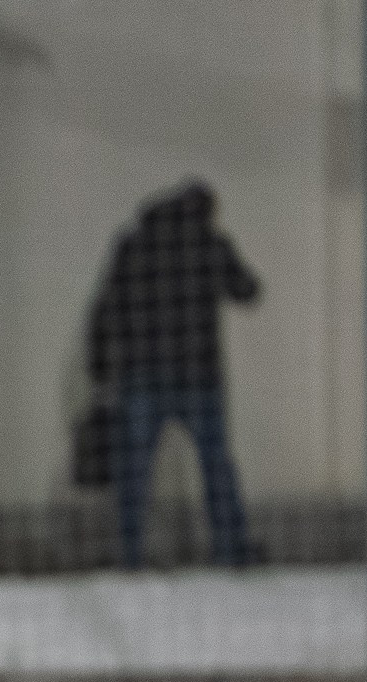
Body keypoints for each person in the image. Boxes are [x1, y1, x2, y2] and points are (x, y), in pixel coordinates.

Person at [88, 180, 261, 568]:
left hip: (142, 373)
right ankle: (230, 549)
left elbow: (107, 305)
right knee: (216, 466)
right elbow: (247, 290)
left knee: (134, 471)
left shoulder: (135, 243)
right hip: (197, 374)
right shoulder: (207, 244)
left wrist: (99, 367)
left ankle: (129, 554)